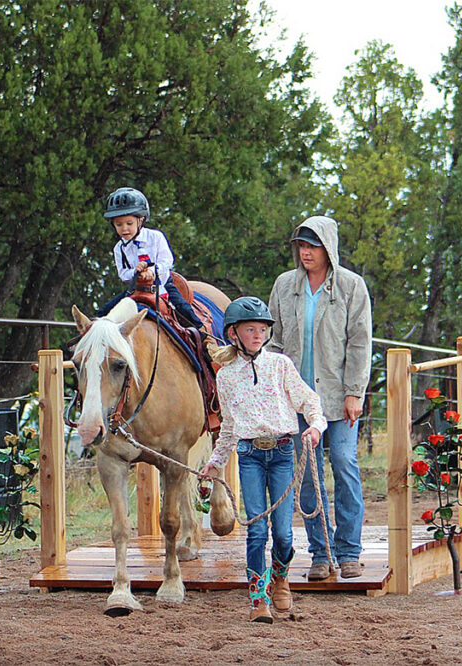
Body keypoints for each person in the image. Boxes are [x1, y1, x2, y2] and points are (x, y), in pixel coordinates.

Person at [200, 296, 326, 623]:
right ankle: (258, 598)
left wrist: (315, 425)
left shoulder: (280, 365)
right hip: (249, 456)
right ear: (233, 333)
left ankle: (280, 577)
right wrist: (215, 462)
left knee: (283, 533)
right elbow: (229, 427)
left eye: (262, 329)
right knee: (257, 530)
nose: (258, 335)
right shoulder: (226, 376)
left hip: (283, 453)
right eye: (250, 329)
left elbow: (308, 400)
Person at [267, 216, 372, 580]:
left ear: (328, 248)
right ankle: (321, 553)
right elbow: (274, 340)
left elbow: (360, 343)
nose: (306, 252)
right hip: (297, 398)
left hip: (338, 396)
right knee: (308, 475)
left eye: (312, 246)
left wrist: (354, 392)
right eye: (301, 245)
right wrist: (273, 388)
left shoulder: (351, 286)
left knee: (343, 463)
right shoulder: (284, 285)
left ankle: (349, 551)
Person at [96, 187, 203, 328]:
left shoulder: (155, 237)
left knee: (184, 310)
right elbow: (123, 274)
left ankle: (204, 335)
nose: (124, 229)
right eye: (119, 224)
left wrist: (152, 271)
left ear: (140, 220)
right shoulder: (119, 248)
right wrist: (136, 272)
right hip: (136, 288)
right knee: (102, 313)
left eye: (129, 223)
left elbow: (167, 260)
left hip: (162, 284)